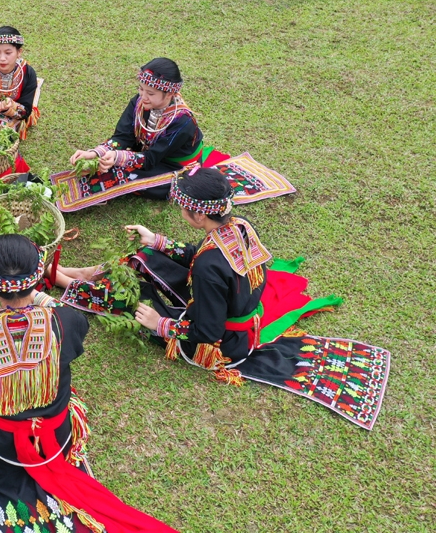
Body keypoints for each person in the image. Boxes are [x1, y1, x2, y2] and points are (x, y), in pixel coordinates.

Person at [56, 168, 391, 430]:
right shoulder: (239, 226)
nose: (181, 212)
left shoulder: (207, 265)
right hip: (234, 312)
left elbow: (207, 330)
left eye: (184, 208)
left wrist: (159, 325)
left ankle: (62, 281)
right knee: (143, 256)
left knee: (133, 297)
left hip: (220, 345)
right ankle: (77, 274)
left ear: (199, 215)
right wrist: (156, 240)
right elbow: (200, 259)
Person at [0, 235, 179, 533]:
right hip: (57, 436)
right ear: (37, 277)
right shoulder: (65, 320)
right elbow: (58, 312)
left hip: (4, 444)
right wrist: (40, 301)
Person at [63, 58, 208, 208]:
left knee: (123, 174)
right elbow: (123, 136)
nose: (143, 96)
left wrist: (118, 157)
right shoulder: (139, 102)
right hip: (148, 153)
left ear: (170, 93)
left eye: (150, 93)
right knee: (107, 164)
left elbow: (151, 158)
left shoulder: (182, 122)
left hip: (172, 165)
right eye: (140, 89)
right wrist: (96, 153)